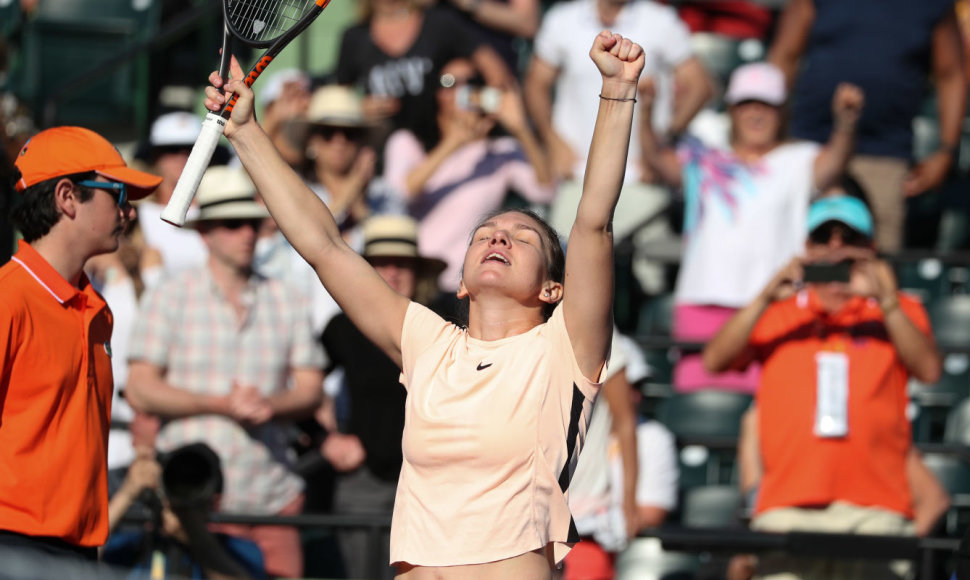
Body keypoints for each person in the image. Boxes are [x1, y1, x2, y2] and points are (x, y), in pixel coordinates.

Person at [203, 29, 644, 579]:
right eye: (485, 232)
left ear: (553, 290)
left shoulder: (564, 349)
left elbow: (594, 219)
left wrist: (617, 92)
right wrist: (245, 132)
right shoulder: (430, 342)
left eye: (522, 237)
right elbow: (325, 246)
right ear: (459, 281)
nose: (498, 237)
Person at [703, 195, 943, 579]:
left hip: (876, 509)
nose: (835, 246)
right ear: (807, 247)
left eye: (848, 236)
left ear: (870, 247)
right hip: (787, 507)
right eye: (823, 236)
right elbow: (715, 360)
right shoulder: (782, 309)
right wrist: (766, 295)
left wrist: (886, 301)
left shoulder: (896, 309)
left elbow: (929, 370)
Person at [125, 166, 326, 579]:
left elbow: (312, 388)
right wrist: (221, 405)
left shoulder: (285, 298)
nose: (248, 234)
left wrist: (269, 404)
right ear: (205, 232)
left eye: (252, 223)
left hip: (271, 497)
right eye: (234, 225)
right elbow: (140, 389)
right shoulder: (170, 296)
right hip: (191, 502)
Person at [641, 62, 863, 394]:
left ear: (782, 111)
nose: (757, 113)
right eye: (747, 104)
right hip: (701, 303)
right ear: (732, 110)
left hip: (772, 307)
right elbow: (660, 164)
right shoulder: (705, 158)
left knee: (765, 412)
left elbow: (835, 163)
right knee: (697, 409)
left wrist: (845, 124)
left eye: (767, 105)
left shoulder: (801, 159)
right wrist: (644, 113)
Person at [0, 126, 161, 561]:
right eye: (119, 195)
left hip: (75, 547)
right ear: (67, 197)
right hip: (14, 542)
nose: (129, 213)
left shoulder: (95, 308)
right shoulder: (8, 298)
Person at [525, 0, 712, 296]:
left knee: (644, 287)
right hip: (578, 176)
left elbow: (699, 85)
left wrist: (662, 145)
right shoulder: (562, 19)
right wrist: (553, 141)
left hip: (641, 181)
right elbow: (535, 84)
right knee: (568, 281)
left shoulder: (661, 19)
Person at [769, 0, 967, 253]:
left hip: (886, 155)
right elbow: (785, 54)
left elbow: (951, 74)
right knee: (796, 254)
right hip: (811, 146)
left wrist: (946, 152)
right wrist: (775, 136)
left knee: (878, 261)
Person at [318, 214, 445, 580]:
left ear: (418, 270)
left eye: (402, 263)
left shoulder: (446, 322)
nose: (392, 271)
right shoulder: (342, 327)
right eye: (381, 263)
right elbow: (303, 386)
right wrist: (325, 439)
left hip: (435, 482)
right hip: (366, 481)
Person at [383, 56, 553, 293]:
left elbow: (545, 190)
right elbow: (397, 195)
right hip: (420, 282)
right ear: (435, 93)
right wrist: (454, 142)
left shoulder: (499, 152)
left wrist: (521, 128)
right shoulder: (407, 142)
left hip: (465, 285)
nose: (463, 89)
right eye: (450, 82)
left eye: (471, 81)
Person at [564, 331, 678, 580]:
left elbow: (649, 511)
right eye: (627, 385)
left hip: (589, 548)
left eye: (639, 386)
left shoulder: (653, 437)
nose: (634, 395)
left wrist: (614, 515)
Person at [335, 0, 514, 153]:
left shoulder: (439, 22)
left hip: (446, 151)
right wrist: (359, 109)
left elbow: (496, 73)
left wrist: (479, 114)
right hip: (385, 157)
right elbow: (337, 101)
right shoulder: (355, 37)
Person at [103, 443, 267, 580]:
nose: (185, 495)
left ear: (215, 501)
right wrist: (127, 493)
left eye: (195, 483)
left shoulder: (240, 551)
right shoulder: (134, 546)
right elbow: (85, 559)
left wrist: (191, 531)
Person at [135, 110, 210, 277]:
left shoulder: (221, 209)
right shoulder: (133, 215)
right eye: (172, 150)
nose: (183, 157)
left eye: (193, 149)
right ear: (155, 156)